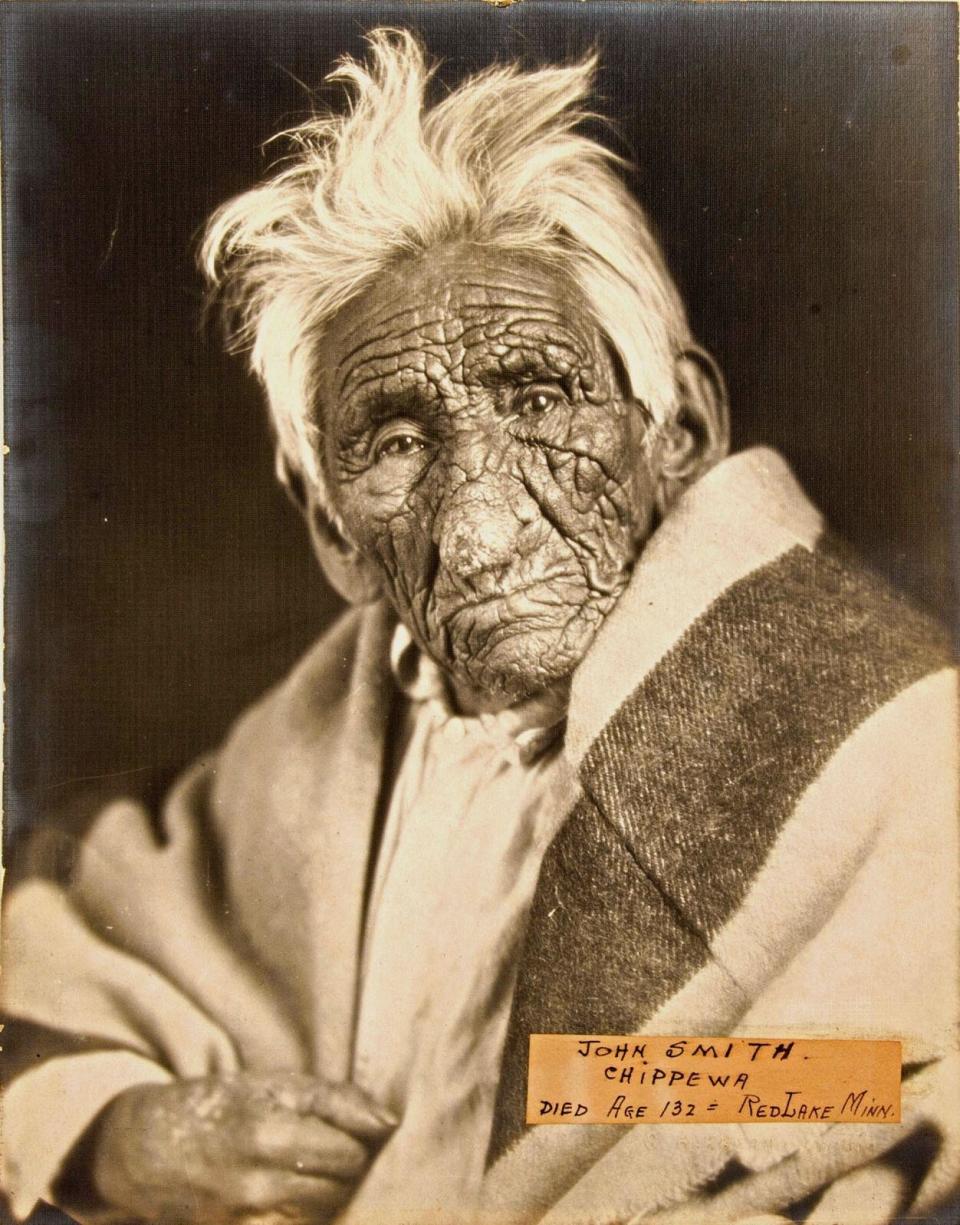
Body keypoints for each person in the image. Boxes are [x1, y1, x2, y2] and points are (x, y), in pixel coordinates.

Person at [3, 28, 957, 1225]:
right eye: (399, 443)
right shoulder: (331, 731)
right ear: (335, 532)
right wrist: (115, 1130)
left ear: (683, 432)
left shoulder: (898, 736)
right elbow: (75, 938)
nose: (489, 520)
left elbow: (895, 1095)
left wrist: (604, 1095)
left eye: (539, 395)